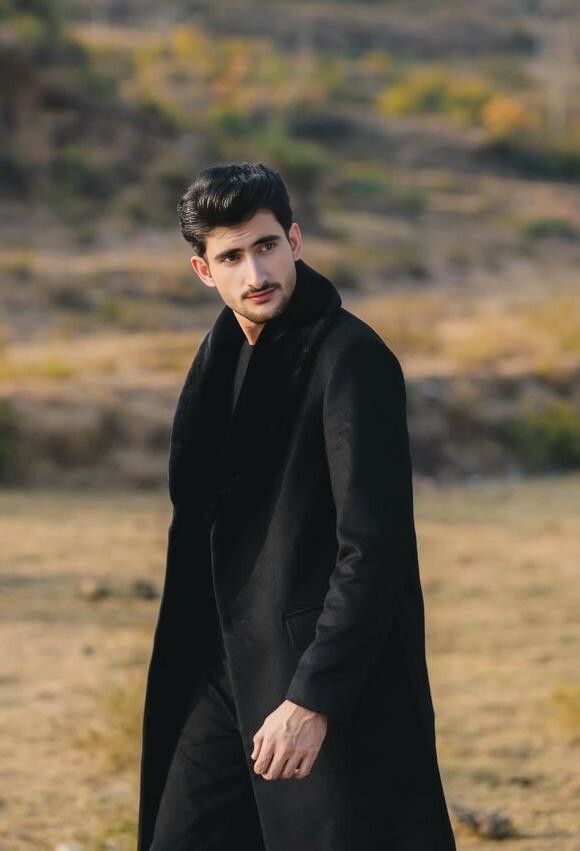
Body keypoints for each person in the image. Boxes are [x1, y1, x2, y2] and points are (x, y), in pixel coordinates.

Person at [137, 161, 457, 851]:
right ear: (203, 271)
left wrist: (315, 696)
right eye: (232, 256)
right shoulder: (220, 358)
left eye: (267, 245)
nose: (256, 272)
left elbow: (373, 548)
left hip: (316, 675)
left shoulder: (351, 360)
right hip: (222, 666)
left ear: (296, 241)